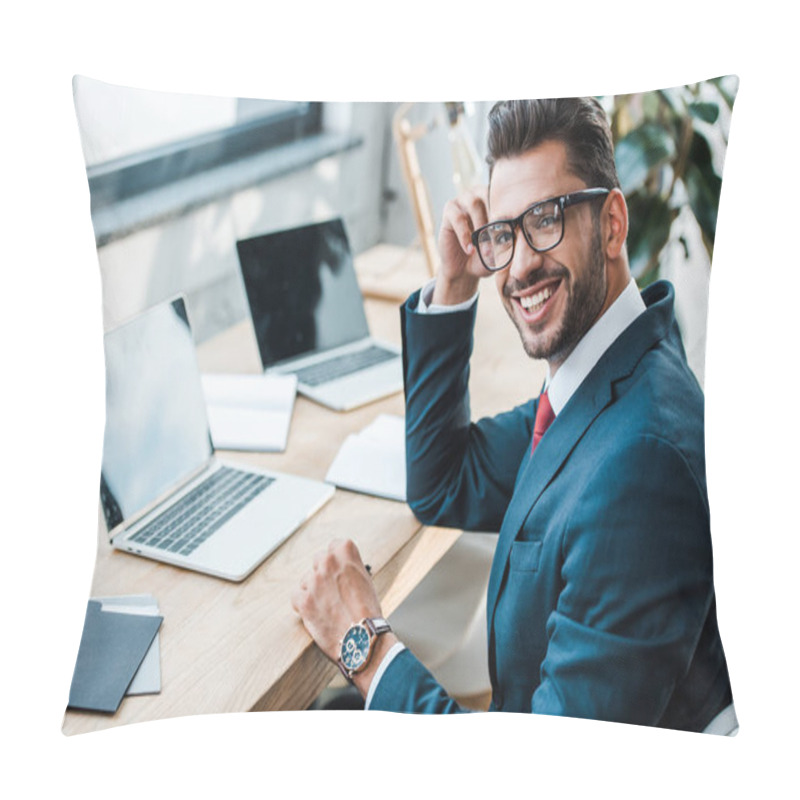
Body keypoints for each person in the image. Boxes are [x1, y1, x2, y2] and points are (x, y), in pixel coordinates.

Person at [291, 97, 736, 733]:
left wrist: (368, 649)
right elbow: (445, 482)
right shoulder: (607, 383)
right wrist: (454, 285)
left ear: (612, 224)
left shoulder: (641, 462)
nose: (520, 265)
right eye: (503, 233)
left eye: (546, 220)